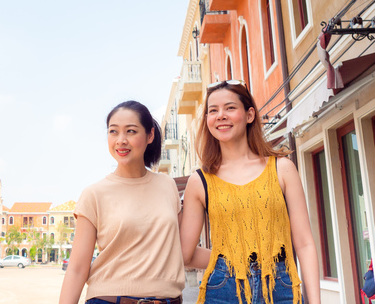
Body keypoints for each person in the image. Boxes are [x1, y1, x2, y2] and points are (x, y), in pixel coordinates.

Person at [180, 80, 320, 304]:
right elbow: (186, 254)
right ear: (207, 120)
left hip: (281, 289)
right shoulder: (199, 181)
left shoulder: (282, 168)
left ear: (250, 115)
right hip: (222, 290)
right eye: (212, 110)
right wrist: (229, 259)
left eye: (230, 108)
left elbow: (304, 243)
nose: (221, 115)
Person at [59, 100, 185, 304]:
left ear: (150, 135)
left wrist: (235, 255)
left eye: (131, 131)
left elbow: (184, 249)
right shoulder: (94, 194)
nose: (121, 140)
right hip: (109, 299)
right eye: (113, 132)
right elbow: (77, 268)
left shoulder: (167, 185)